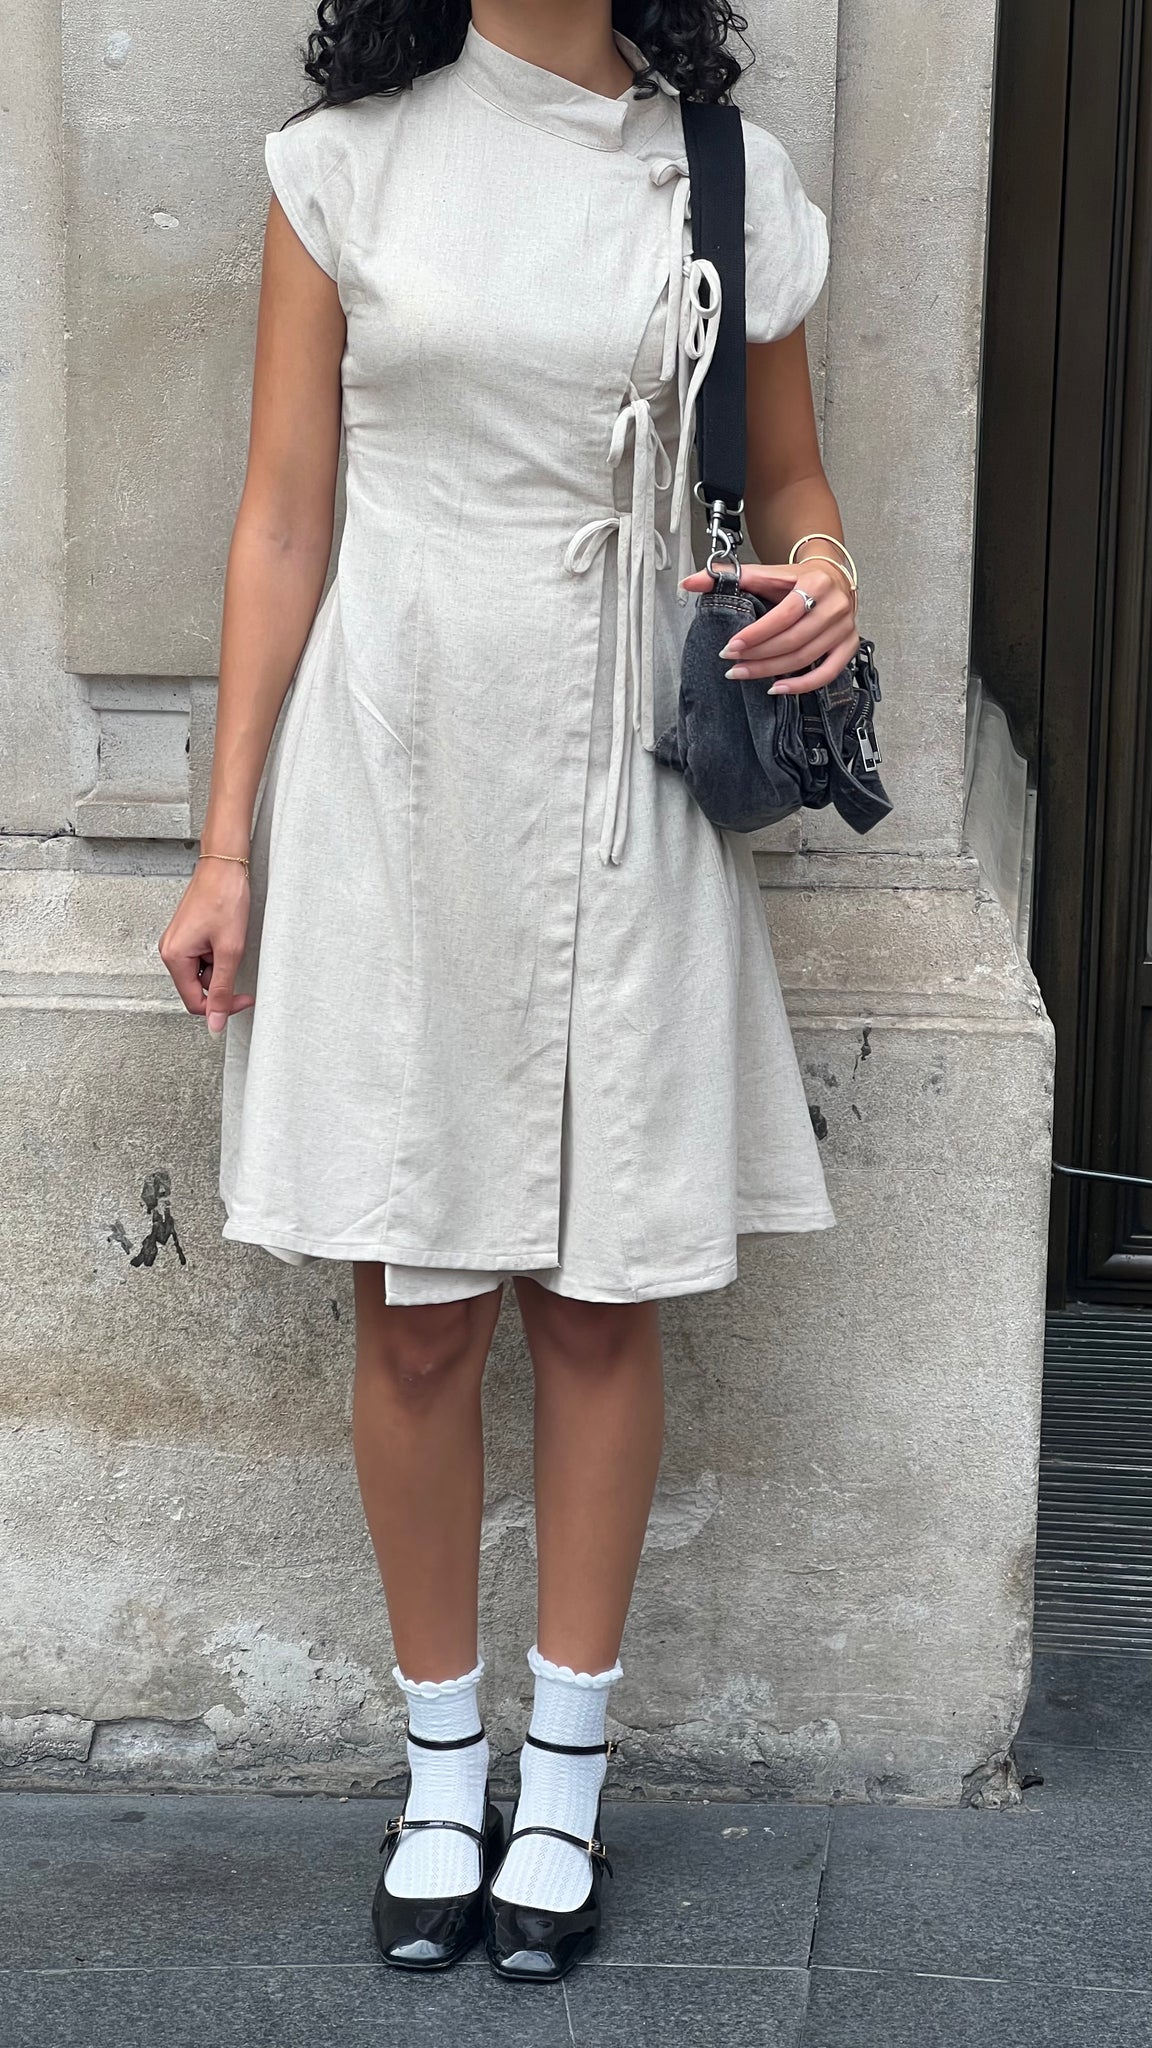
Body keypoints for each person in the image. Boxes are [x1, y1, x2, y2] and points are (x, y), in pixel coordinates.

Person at [158, 0, 858, 1986]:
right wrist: (226, 847)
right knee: (415, 1310)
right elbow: (283, 514)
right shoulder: (345, 164)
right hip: (397, 762)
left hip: (629, 768)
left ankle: (566, 1775)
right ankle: (440, 1769)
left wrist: (829, 573)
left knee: (603, 1292)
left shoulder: (725, 174)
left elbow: (793, 487)